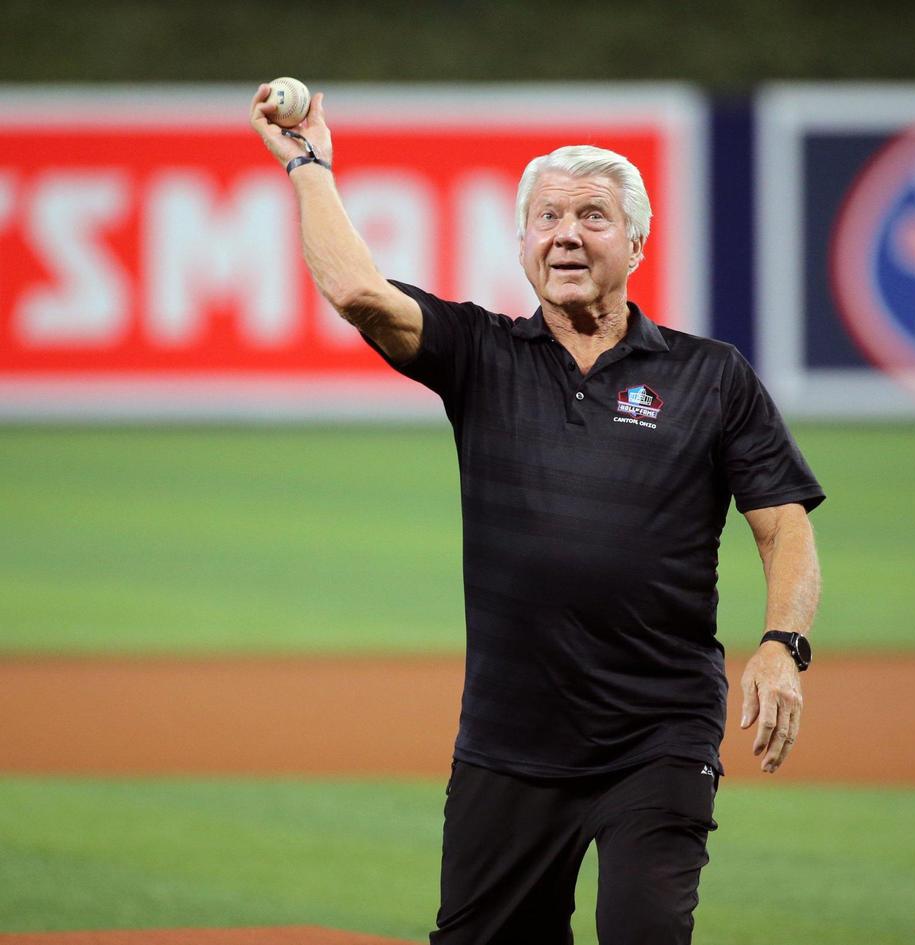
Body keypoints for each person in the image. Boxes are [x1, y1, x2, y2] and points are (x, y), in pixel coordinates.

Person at [250, 84, 824, 945]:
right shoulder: (481, 354)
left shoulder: (712, 376)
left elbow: (784, 526)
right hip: (509, 738)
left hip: (658, 730)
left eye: (592, 215)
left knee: (644, 931)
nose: (564, 232)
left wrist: (783, 644)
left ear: (634, 241)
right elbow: (360, 294)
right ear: (522, 242)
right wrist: (307, 166)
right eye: (546, 216)